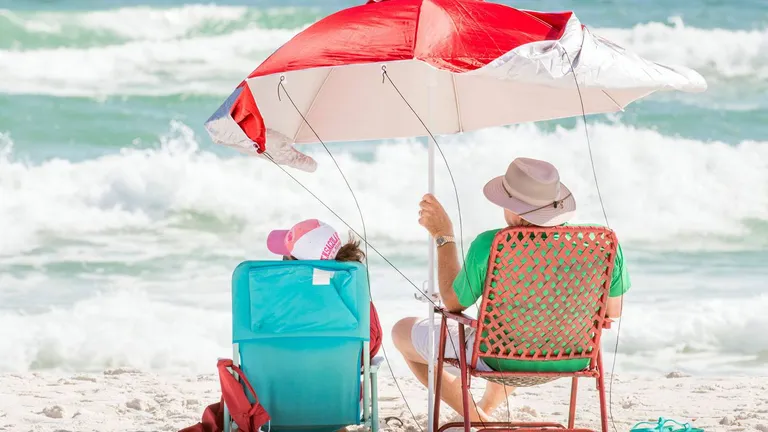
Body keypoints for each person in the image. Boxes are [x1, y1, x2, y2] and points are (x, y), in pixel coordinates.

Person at [392, 157, 631, 422]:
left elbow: (453, 303)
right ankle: (485, 411)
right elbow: (613, 311)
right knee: (519, 330)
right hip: (572, 357)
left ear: (515, 211)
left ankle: (480, 421)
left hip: (501, 358)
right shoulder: (601, 243)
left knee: (401, 331)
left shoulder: (492, 244)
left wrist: (443, 235)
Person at [267, 219, 382, 360]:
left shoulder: (276, 301)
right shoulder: (356, 298)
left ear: (297, 266)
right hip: (341, 374)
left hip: (279, 374)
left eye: (285, 258)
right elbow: (370, 345)